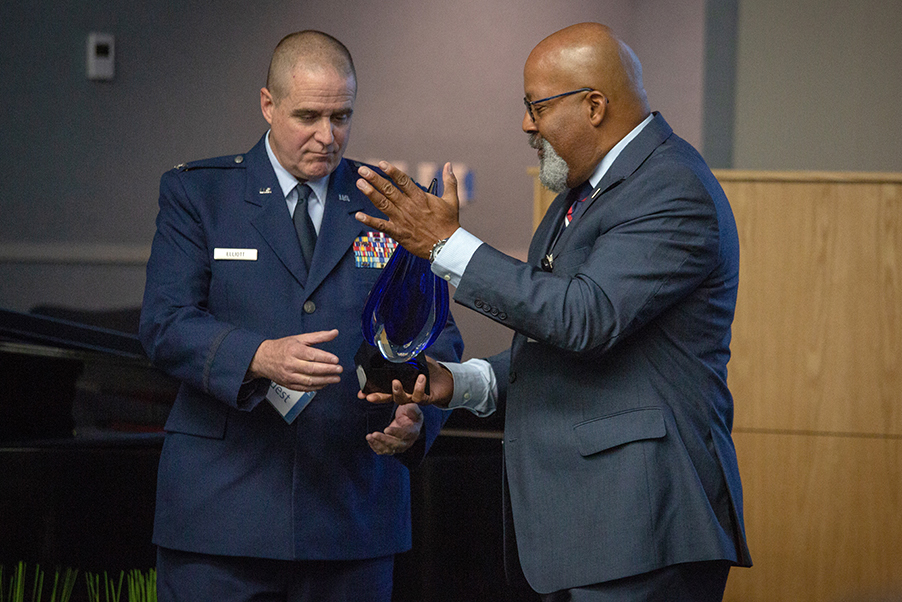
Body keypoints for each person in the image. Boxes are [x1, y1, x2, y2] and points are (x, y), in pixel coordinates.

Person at [355, 22, 752, 602]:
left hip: (642, 534)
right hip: (586, 536)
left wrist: (445, 245)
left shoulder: (671, 188)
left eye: (535, 106)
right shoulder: (583, 192)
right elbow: (561, 346)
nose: (525, 124)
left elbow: (584, 318)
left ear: (594, 106)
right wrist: (458, 383)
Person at [139, 30, 463, 602]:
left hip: (352, 512)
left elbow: (438, 339)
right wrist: (258, 357)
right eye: (308, 115)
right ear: (268, 104)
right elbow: (165, 324)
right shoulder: (201, 194)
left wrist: (417, 415)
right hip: (223, 512)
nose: (327, 136)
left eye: (342, 116)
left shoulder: (387, 202)